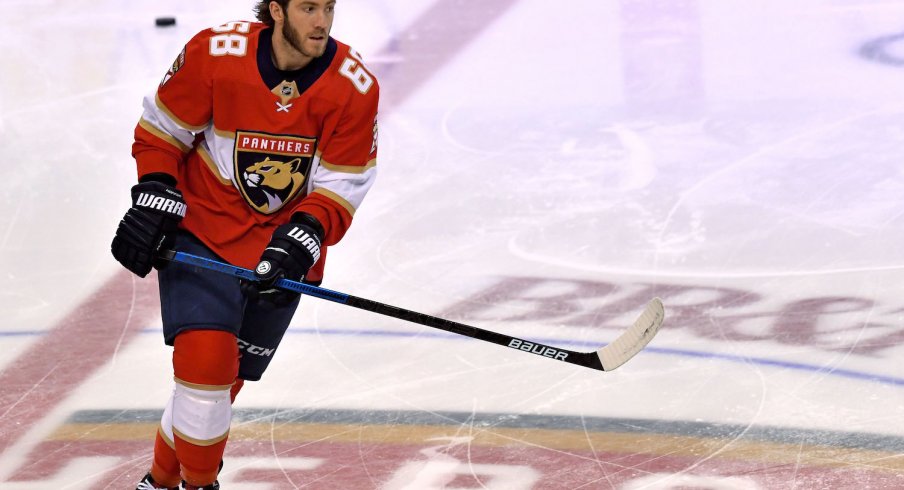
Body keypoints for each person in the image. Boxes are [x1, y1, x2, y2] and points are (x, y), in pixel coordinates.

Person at [111, 0, 379, 488]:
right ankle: (200, 485)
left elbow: (342, 183)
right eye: (308, 8)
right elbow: (162, 132)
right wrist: (154, 191)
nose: (322, 21)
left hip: (278, 252)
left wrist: (302, 240)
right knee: (204, 369)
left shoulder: (353, 85)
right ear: (276, 9)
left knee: (215, 392)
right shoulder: (217, 53)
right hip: (204, 234)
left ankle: (160, 482)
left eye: (329, 7)